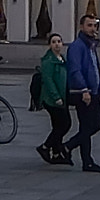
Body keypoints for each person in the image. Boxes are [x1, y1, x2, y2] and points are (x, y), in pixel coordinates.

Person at [62, 13, 100, 173]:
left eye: (95, 25)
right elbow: (75, 70)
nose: (93, 28)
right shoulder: (77, 46)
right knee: (91, 125)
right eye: (89, 25)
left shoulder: (90, 45)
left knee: (90, 126)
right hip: (84, 93)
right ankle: (69, 147)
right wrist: (84, 89)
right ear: (82, 27)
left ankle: (85, 159)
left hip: (93, 91)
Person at [34, 32, 70, 166]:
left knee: (57, 125)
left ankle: (56, 153)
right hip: (52, 99)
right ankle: (45, 147)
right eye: (54, 42)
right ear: (49, 45)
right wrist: (56, 97)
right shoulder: (48, 61)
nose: (57, 44)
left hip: (62, 96)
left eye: (59, 41)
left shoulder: (62, 59)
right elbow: (48, 80)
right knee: (65, 124)